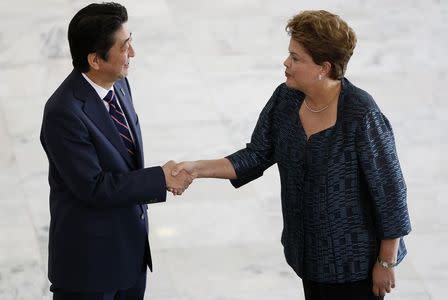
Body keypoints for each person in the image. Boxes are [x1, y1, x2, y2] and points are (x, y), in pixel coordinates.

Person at [171, 10, 411, 300]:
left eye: (296, 58)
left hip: (355, 267)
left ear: (324, 67)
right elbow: (256, 155)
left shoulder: (362, 115)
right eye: (289, 55)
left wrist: (386, 262)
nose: (286, 63)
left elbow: (391, 193)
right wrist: (196, 168)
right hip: (307, 257)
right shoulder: (286, 99)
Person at [40, 3, 192, 299]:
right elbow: (93, 187)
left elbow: (126, 163)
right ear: (95, 60)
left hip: (130, 255)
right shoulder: (63, 112)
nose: (132, 54)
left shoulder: (119, 86)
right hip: (89, 267)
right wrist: (160, 179)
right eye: (124, 47)